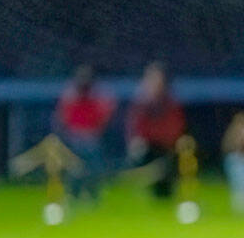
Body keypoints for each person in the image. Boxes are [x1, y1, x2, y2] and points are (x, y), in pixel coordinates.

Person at [52, 64, 116, 201]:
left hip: (93, 139)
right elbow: (63, 118)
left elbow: (105, 116)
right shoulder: (71, 96)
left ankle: (93, 196)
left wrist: (94, 131)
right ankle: (73, 195)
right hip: (74, 139)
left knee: (94, 170)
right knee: (75, 171)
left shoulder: (98, 96)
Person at [125, 61, 186, 199]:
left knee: (167, 175)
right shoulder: (141, 103)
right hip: (147, 147)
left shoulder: (170, 102)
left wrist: (169, 141)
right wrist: (136, 141)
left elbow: (175, 125)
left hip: (166, 147)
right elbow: (135, 126)